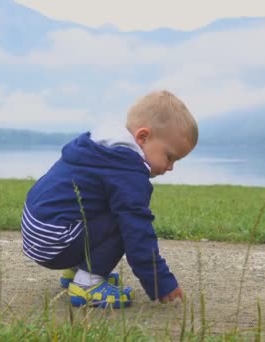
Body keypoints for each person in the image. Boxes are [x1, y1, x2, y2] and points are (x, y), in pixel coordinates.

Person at [20, 90, 198, 308]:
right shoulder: (127, 170)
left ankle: (79, 269)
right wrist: (160, 280)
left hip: (37, 233)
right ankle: (87, 284)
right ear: (143, 137)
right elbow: (137, 232)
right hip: (56, 243)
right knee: (126, 220)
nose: (170, 168)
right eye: (169, 157)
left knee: (99, 206)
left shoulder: (98, 147)